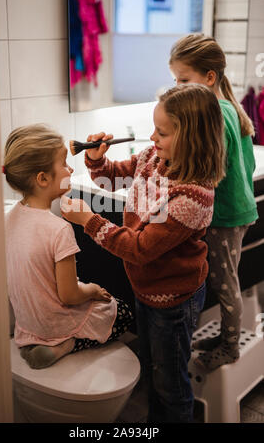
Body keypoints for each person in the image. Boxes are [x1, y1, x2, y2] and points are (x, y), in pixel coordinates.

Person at [60, 84, 225, 423]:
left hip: (174, 301)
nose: (152, 137)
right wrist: (96, 158)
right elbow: (112, 176)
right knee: (154, 374)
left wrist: (88, 220)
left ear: (191, 137)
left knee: (171, 387)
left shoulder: (194, 196)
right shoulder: (154, 159)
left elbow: (139, 249)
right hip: (146, 290)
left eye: (162, 132)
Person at [3, 124, 133, 370]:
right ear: (42, 179)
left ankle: (40, 342)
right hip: (56, 323)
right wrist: (93, 290)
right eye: (64, 164)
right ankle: (66, 344)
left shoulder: (8, 218)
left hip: (29, 323)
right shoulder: (59, 229)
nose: (71, 168)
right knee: (123, 312)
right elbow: (69, 295)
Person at [169, 33, 259, 371]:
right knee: (227, 279)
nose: (177, 87)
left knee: (225, 285)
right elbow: (244, 164)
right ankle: (225, 337)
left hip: (225, 215)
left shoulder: (216, 114)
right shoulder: (227, 107)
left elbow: (211, 169)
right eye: (175, 79)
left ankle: (231, 347)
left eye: (183, 79)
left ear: (209, 78)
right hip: (238, 209)